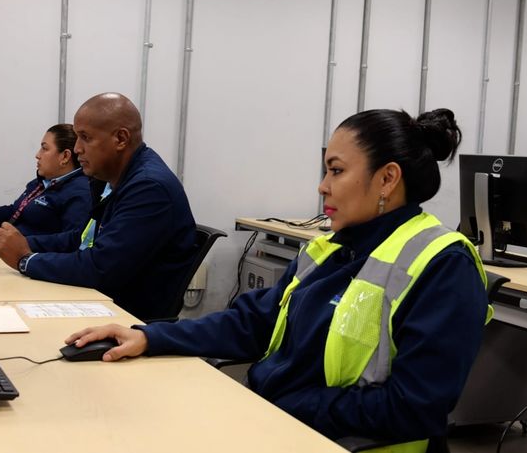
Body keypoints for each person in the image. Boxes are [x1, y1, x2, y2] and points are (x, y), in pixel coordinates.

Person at [64, 108, 494, 451]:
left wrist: (280, 408)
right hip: (281, 425)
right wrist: (149, 336)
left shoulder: (443, 264)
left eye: (337, 171)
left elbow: (413, 407)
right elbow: (254, 322)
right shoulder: (329, 248)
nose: (322, 187)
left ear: (387, 178)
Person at [0, 93, 198, 321]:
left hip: (125, 318)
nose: (77, 149)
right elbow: (84, 237)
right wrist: (18, 244)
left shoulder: (148, 188)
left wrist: (25, 260)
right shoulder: (112, 179)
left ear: (120, 139)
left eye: (85, 138)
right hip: (99, 301)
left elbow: (100, 267)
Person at [0, 124, 90, 236]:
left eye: (44, 148)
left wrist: (21, 243)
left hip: (29, 251)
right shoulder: (42, 181)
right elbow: (16, 210)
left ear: (65, 157)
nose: (37, 155)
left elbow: (69, 241)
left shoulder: (80, 191)